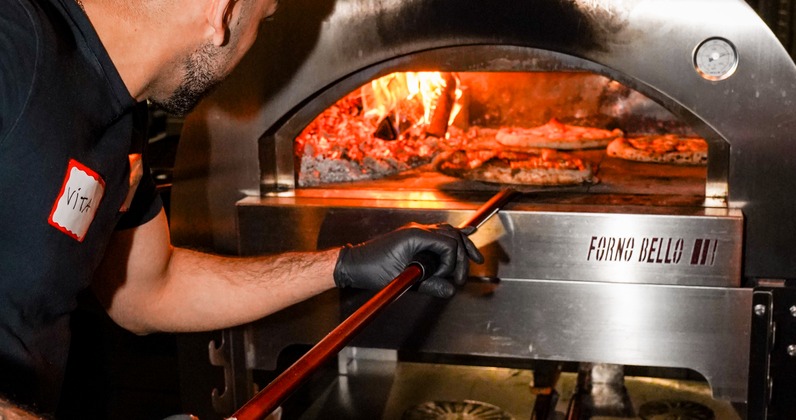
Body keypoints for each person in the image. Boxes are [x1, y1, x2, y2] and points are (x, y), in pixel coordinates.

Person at [0, 0, 483, 416]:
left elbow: (151, 289)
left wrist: (344, 265)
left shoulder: (124, 112)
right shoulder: (14, 43)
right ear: (223, 11)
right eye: (263, 19)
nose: (253, 41)